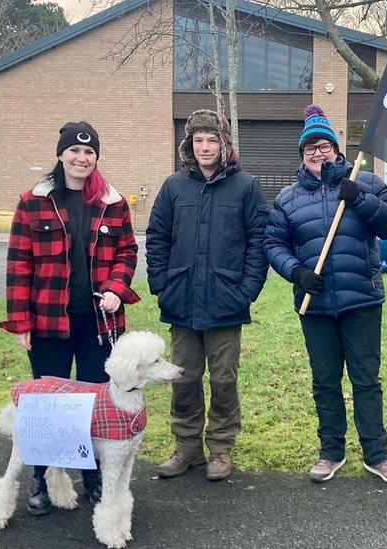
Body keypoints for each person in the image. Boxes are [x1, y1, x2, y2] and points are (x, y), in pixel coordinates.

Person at [0, 121, 140, 514]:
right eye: (74, 151)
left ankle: (91, 477)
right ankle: (42, 480)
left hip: (98, 325)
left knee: (96, 405)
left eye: (89, 152)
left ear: (96, 158)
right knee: (48, 409)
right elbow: (19, 265)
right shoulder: (33, 201)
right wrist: (20, 321)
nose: (82, 158)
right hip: (48, 323)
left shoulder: (113, 201)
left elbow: (127, 253)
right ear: (61, 154)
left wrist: (115, 288)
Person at [263, 104, 387, 485]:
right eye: (309, 147)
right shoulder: (288, 198)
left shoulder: (367, 182)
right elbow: (274, 243)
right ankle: (331, 451)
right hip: (316, 305)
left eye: (323, 144)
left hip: (361, 300)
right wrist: (297, 272)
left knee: (366, 380)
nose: (317, 152)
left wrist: (359, 198)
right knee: (325, 381)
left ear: (336, 149)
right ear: (302, 153)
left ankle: (377, 454)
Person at [146, 110, 268, 481]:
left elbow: (258, 242)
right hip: (181, 300)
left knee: (224, 380)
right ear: (189, 144)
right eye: (198, 140)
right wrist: (161, 285)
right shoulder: (173, 187)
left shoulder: (245, 186)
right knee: (183, 378)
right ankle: (187, 448)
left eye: (211, 140)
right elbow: (156, 238)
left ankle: (220, 448)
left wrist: (245, 291)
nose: (204, 147)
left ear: (224, 144)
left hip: (225, 302)